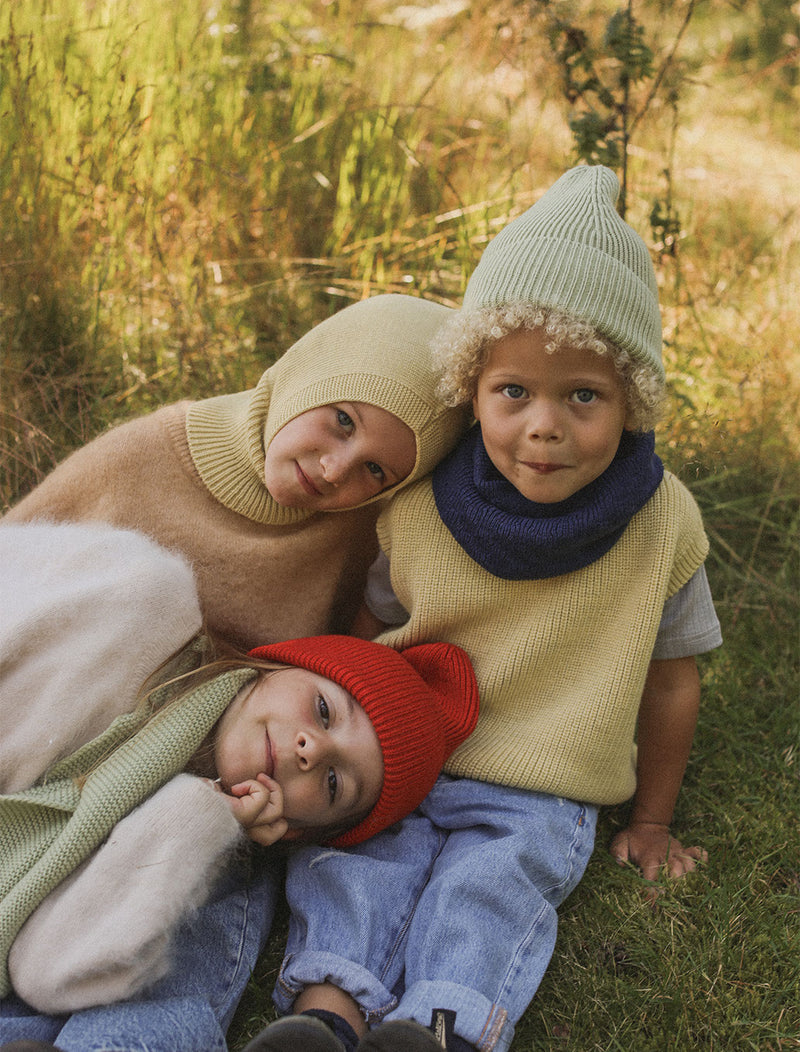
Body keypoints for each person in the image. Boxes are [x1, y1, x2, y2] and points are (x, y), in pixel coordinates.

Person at [247, 165, 723, 1052]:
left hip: (543, 783)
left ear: (634, 402)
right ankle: (326, 1013)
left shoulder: (661, 523)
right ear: (471, 387)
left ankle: (442, 1029)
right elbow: (371, 635)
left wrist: (652, 819)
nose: (544, 426)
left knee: (487, 889)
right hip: (409, 748)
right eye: (515, 393)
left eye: (584, 396)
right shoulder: (424, 506)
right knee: (354, 863)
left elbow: (671, 682)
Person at [0, 521, 479, 1052]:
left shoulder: (209, 860)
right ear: (280, 663)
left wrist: (199, 821)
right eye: (323, 710)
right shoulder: (142, 611)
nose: (312, 750)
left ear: (296, 830)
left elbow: (51, 971)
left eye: (334, 782)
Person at [1, 294, 470, 650]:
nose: (333, 470)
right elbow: (15, 565)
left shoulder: (365, 532)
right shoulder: (140, 457)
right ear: (306, 374)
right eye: (342, 420)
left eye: (375, 470)